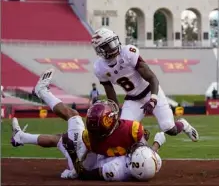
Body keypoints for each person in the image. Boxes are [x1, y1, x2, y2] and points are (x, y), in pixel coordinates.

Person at [11, 68, 159, 180]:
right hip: (96, 155)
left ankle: (42, 91)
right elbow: (148, 152)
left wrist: (75, 162)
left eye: (135, 151)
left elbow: (86, 172)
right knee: (59, 139)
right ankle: (20, 137)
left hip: (85, 161)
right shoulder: (143, 156)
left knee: (73, 118)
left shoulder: (115, 168)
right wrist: (156, 144)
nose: (136, 148)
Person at [91, 27, 199, 142]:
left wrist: (153, 100)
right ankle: (143, 153)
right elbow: (111, 95)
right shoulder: (99, 68)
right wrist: (116, 113)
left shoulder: (128, 53)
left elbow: (152, 78)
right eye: (108, 45)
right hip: (132, 99)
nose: (113, 46)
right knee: (124, 131)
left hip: (149, 91)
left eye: (113, 42)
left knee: (168, 128)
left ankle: (183, 125)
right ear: (100, 50)